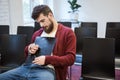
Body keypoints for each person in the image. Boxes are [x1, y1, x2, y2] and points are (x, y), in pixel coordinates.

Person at [0, 5, 76, 80]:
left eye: (42, 21)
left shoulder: (68, 33)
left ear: (50, 15)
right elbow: (27, 53)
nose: (41, 25)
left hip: (48, 70)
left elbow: (70, 59)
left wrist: (47, 59)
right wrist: (29, 48)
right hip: (27, 67)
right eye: (38, 22)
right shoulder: (37, 33)